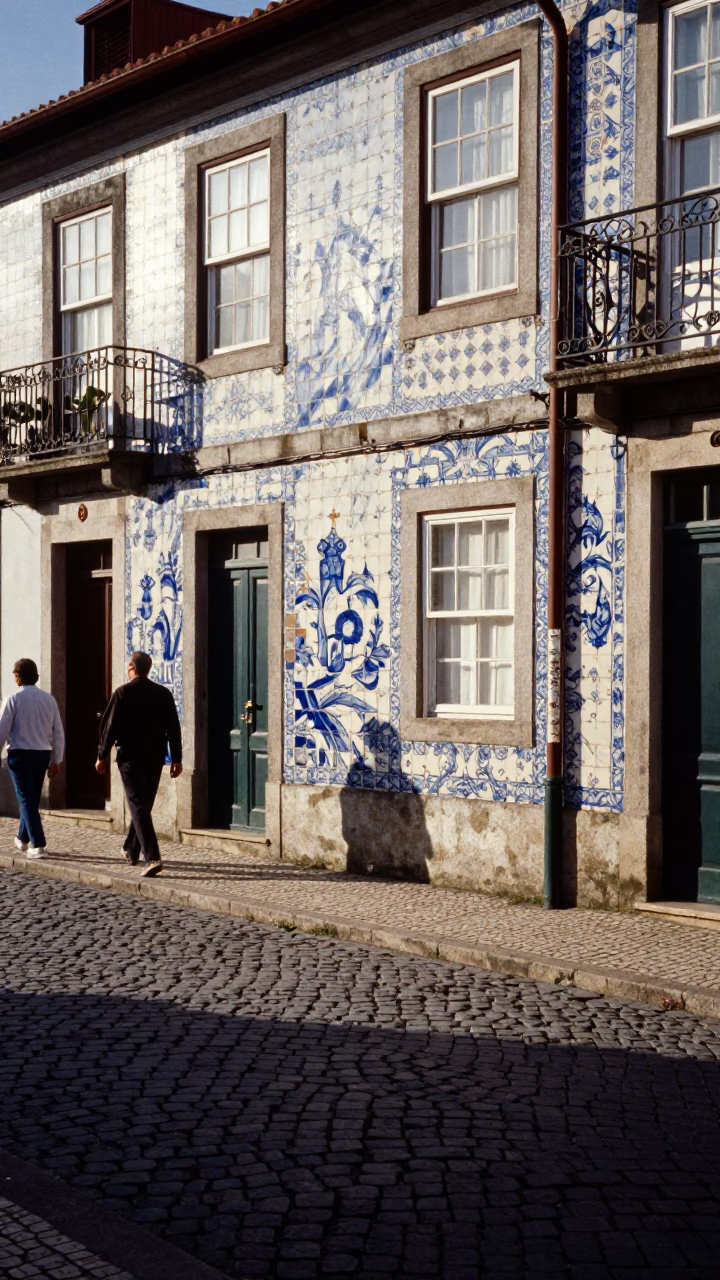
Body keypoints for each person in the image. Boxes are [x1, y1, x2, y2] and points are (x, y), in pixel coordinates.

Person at [96, 651, 182, 877]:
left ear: (131, 667)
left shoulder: (123, 693)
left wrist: (101, 754)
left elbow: (109, 727)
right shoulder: (163, 694)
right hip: (155, 757)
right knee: (143, 805)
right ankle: (131, 849)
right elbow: (173, 727)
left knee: (138, 805)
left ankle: (152, 857)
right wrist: (177, 758)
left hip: (130, 758)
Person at [0, 658, 64, 859]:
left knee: (26, 798)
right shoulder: (49, 699)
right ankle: (22, 838)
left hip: (20, 754)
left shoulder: (13, 699)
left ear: (18, 676)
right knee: (32, 797)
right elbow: (58, 732)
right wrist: (57, 760)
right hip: (42, 755)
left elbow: (2, 730)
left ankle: (38, 844)